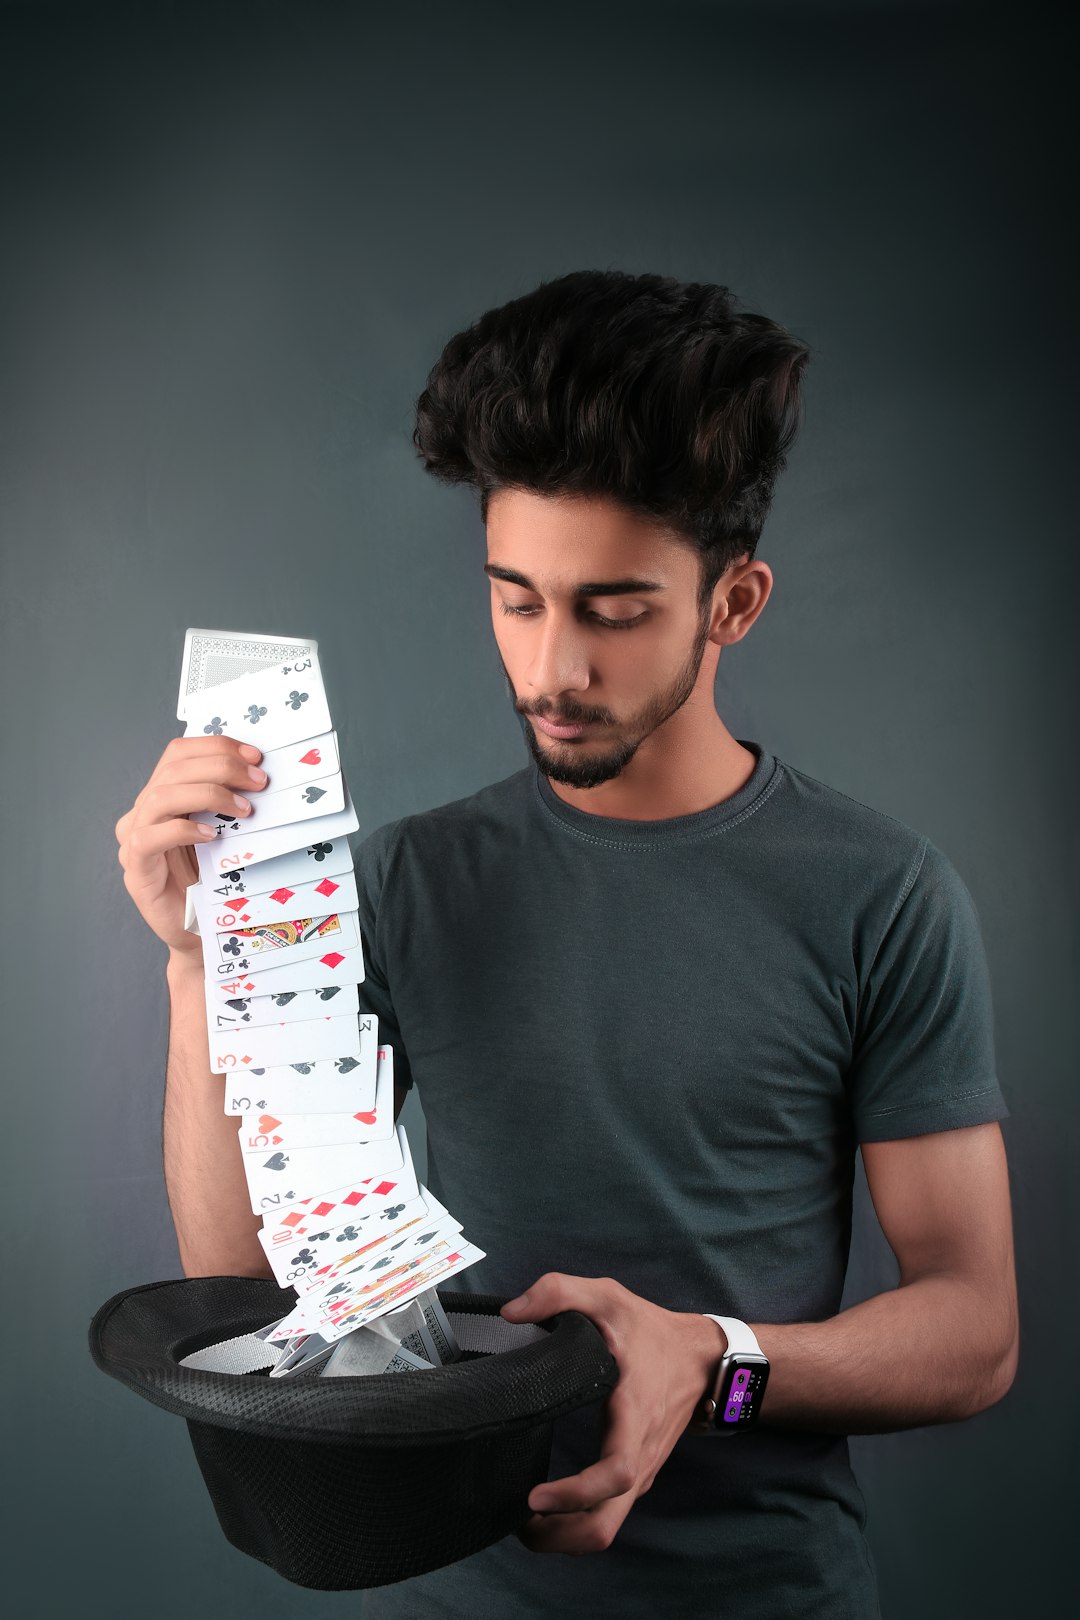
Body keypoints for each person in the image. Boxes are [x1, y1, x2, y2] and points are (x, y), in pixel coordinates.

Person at [115, 270, 1018, 1619]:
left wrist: (715, 1359)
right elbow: (245, 1294)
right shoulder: (410, 880)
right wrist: (200, 970)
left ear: (734, 602)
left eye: (613, 609)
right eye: (516, 598)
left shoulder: (883, 895)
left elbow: (974, 1334)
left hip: (770, 1594)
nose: (550, 669)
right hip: (452, 1591)